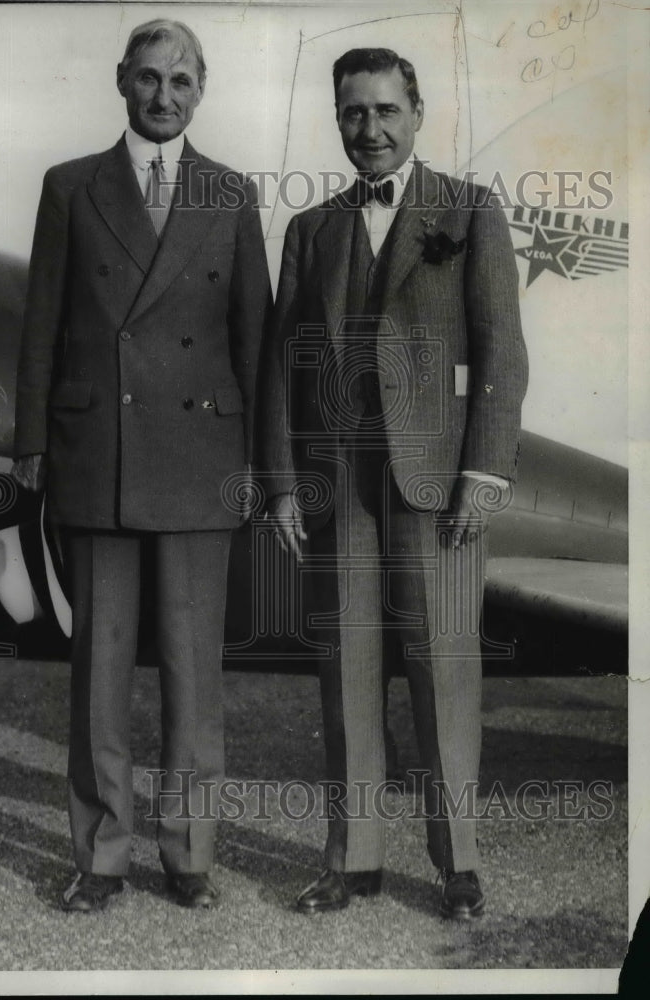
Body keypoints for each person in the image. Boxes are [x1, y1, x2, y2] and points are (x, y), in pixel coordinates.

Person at [255, 47, 528, 919]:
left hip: (435, 483)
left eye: (383, 112)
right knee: (347, 671)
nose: (368, 131)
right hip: (337, 485)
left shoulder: (469, 210)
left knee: (442, 670)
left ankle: (458, 867)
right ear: (336, 120)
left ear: (416, 113)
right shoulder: (312, 230)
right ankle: (353, 859)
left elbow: (500, 354)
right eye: (351, 114)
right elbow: (277, 371)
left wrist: (482, 470)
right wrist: (283, 485)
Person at [11, 19, 271, 913]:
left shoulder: (232, 195)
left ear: (203, 90)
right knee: (100, 675)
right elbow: (39, 324)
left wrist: (265, 470)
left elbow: (256, 345)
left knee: (194, 677)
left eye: (182, 81)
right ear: (121, 81)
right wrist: (31, 445)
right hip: (99, 458)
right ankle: (101, 858)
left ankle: (189, 856)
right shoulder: (70, 187)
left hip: (202, 461)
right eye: (149, 79)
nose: (165, 97)